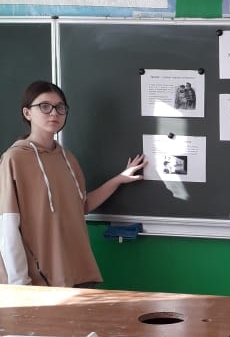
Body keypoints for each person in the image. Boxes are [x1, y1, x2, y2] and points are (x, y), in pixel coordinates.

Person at [0, 80, 146, 288]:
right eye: (44, 106)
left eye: (60, 107)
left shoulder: (67, 158)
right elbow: (7, 226)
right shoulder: (14, 159)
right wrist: (20, 284)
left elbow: (82, 206)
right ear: (27, 113)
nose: (54, 113)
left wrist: (118, 179)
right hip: (39, 281)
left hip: (78, 272)